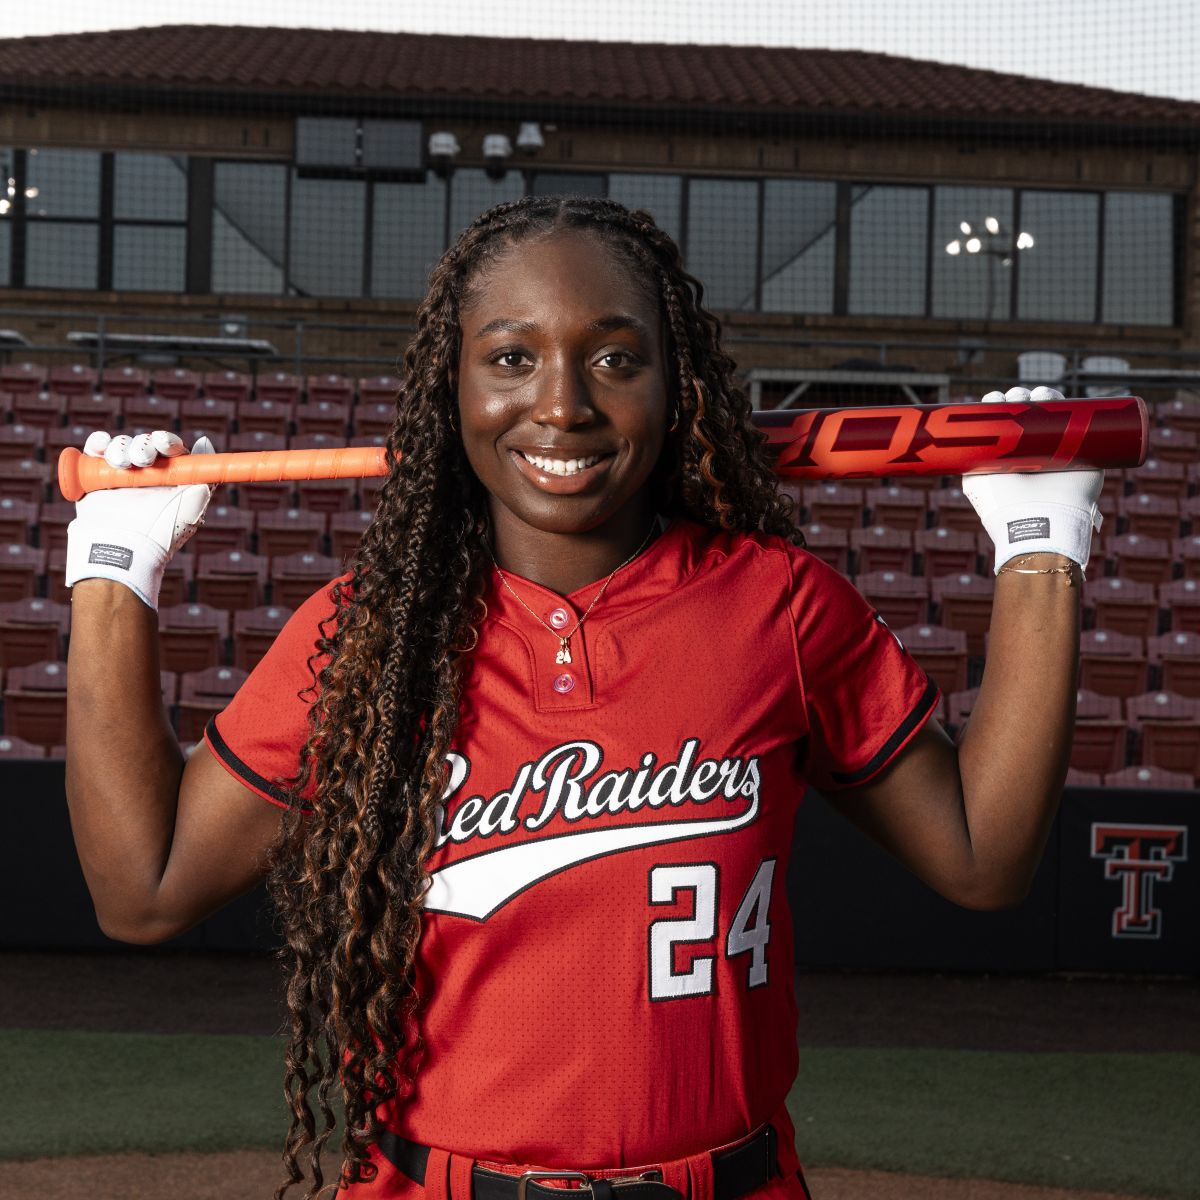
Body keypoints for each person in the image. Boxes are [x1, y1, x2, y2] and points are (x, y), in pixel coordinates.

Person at [63, 195, 1100, 1200]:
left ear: (674, 381)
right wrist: (116, 574)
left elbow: (985, 860)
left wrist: (1039, 548)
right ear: (453, 389)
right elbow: (142, 891)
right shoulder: (367, 636)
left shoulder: (777, 609)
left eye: (615, 358)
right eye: (512, 357)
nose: (563, 404)